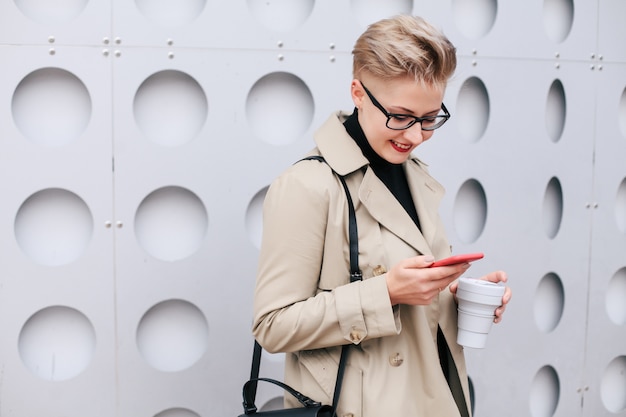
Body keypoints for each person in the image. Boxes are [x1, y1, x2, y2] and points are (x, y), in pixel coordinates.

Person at [252, 14, 512, 417]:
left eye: (429, 119)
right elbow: (273, 324)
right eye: (401, 116)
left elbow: (412, 298)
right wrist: (386, 291)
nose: (414, 136)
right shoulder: (308, 185)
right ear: (358, 92)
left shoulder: (417, 176)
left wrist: (459, 298)